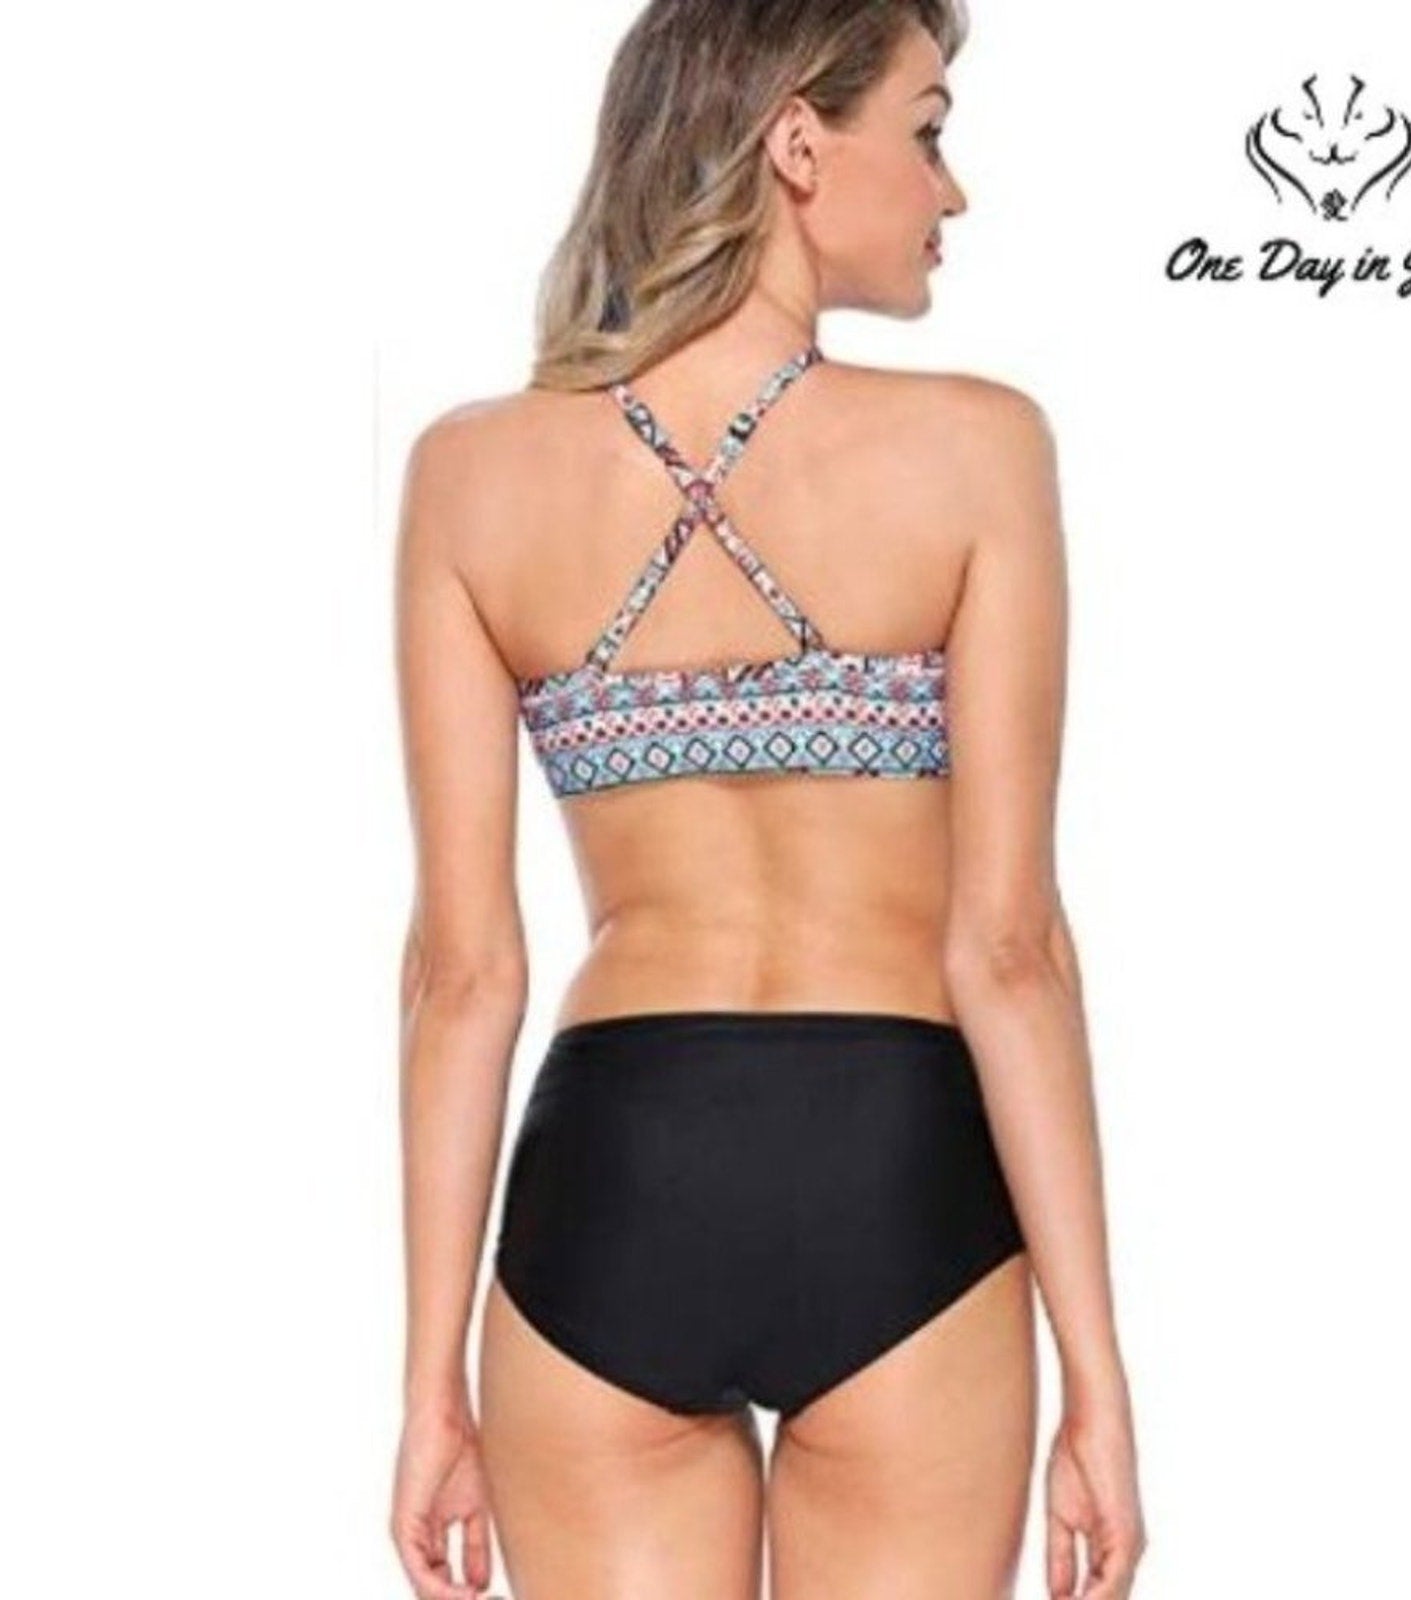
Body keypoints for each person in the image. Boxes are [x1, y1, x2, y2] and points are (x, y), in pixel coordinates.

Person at [389, 2, 1146, 1596]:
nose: (952, 191)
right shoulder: (978, 451)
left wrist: (429, 1383)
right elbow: (1009, 950)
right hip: (900, 1177)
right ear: (799, 141)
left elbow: (462, 974)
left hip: (610, 1184)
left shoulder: (471, 475)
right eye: (928, 132)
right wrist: (1098, 1377)